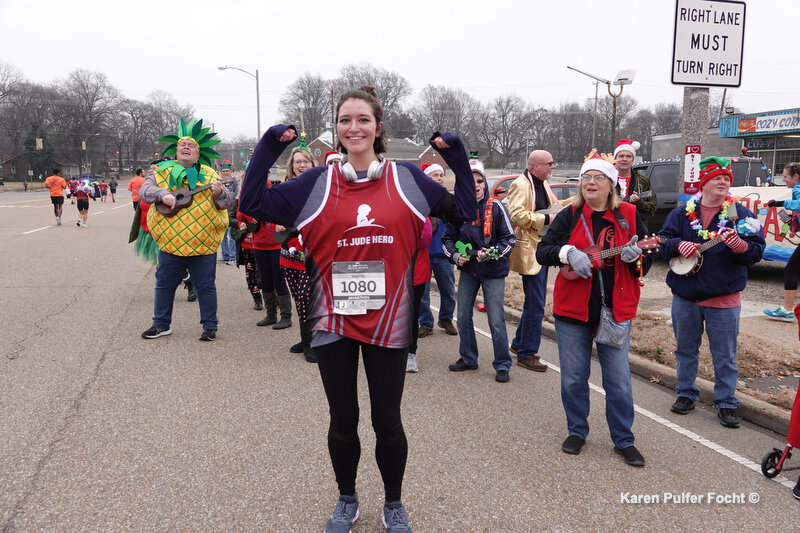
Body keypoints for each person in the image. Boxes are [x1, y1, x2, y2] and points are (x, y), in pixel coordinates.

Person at [238, 85, 476, 533]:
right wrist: (268, 148)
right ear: (337, 129)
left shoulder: (406, 178)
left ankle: (393, 504)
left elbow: (463, 209)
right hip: (333, 320)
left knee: (388, 421)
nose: (354, 127)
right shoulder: (315, 183)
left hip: (390, 320)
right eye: (345, 120)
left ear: (378, 127)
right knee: (343, 421)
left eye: (362, 119)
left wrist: (458, 158)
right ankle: (347, 498)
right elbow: (252, 205)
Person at [536, 150, 652, 467]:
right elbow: (541, 252)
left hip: (615, 311)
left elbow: (647, 259)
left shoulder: (628, 214)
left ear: (611, 184)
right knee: (573, 378)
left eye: (597, 177)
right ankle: (577, 431)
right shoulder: (569, 215)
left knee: (617, 381)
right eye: (585, 177)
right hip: (573, 312)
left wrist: (636, 258)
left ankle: (624, 440)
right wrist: (567, 253)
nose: (589, 182)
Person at [659, 156, 765, 429]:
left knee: (725, 355)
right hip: (686, 295)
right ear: (704, 183)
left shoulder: (741, 215)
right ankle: (685, 393)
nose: (723, 182)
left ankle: (727, 402)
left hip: (724, 297)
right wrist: (678, 245)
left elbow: (756, 252)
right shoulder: (682, 213)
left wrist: (740, 246)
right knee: (685, 349)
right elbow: (663, 241)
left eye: (727, 179)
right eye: (717, 178)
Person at [138, 118, 234, 341]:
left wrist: (219, 193)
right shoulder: (161, 172)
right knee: (164, 284)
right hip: (171, 243)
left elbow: (228, 202)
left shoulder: (211, 175)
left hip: (203, 245)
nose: (186, 147)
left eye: (192, 145)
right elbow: (145, 191)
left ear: (198, 154)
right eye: (183, 144)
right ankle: (161, 324)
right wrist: (163, 194)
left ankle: (210, 326)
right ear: (176, 150)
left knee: (206, 287)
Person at [443, 158, 516, 383]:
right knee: (463, 315)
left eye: (479, 181)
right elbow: (448, 240)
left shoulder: (496, 207)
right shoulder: (457, 210)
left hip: (493, 270)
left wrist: (494, 252)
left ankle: (502, 364)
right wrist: (456, 256)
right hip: (468, 270)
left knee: (495, 320)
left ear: (484, 184)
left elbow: (509, 239)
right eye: (469, 181)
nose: (475, 185)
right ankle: (468, 357)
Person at [507, 149, 564, 373]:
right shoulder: (521, 184)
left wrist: (575, 201)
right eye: (549, 164)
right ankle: (527, 354)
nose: (553, 167)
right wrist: (547, 218)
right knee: (537, 304)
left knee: (533, 302)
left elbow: (553, 206)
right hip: (530, 251)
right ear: (534, 166)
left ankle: (519, 344)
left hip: (541, 248)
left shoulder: (542, 183)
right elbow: (516, 215)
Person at [279, 140, 318, 362]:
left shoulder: (320, 188)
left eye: (305, 161)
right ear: (291, 166)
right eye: (297, 162)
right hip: (288, 253)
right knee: (298, 297)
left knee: (308, 297)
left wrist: (292, 225)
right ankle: (305, 339)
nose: (301, 165)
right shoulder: (286, 187)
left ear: (313, 164)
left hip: (310, 253)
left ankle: (313, 342)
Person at [417, 163, 458, 338]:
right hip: (425, 253)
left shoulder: (449, 199)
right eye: (435, 175)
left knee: (448, 290)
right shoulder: (420, 200)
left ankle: (446, 318)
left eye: (441, 175)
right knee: (423, 294)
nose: (440, 178)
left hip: (444, 255)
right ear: (427, 178)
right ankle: (426, 323)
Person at [764, 162, 800, 321]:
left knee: (791, 270)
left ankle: (787, 310)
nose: (783, 179)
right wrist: (792, 221)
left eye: (785, 176)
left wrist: (779, 203)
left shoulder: (798, 189)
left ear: (796, 177)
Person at [407, 218, 432, 372]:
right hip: (390, 272)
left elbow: (426, 239)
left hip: (416, 274)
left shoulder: (421, 213)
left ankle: (410, 354)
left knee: (411, 316)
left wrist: (400, 237)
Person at [613, 139, 657, 223]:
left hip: (635, 227)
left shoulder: (643, 181)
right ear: (615, 159)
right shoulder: (607, 180)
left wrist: (640, 203)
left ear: (633, 160)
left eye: (628, 156)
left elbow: (652, 208)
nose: (624, 159)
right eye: (621, 156)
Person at [218, 160, 239, 265]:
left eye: (227, 171)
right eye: (223, 171)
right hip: (221, 212)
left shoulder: (235, 181)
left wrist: (224, 192)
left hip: (231, 213)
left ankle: (233, 256)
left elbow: (236, 194)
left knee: (232, 235)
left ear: (231, 171)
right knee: (222, 236)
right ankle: (225, 256)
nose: (225, 173)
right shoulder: (218, 181)